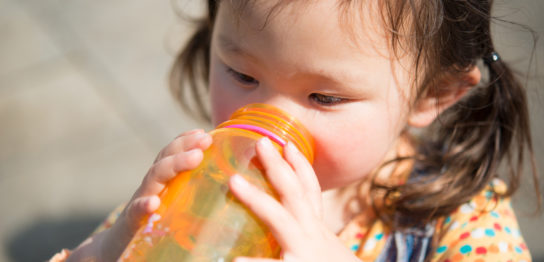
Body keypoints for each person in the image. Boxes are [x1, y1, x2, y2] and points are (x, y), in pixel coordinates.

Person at [51, 0, 540, 261]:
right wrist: (107, 252)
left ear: (433, 94)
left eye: (325, 98)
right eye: (242, 75)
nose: (267, 123)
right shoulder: (190, 190)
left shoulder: (463, 224)